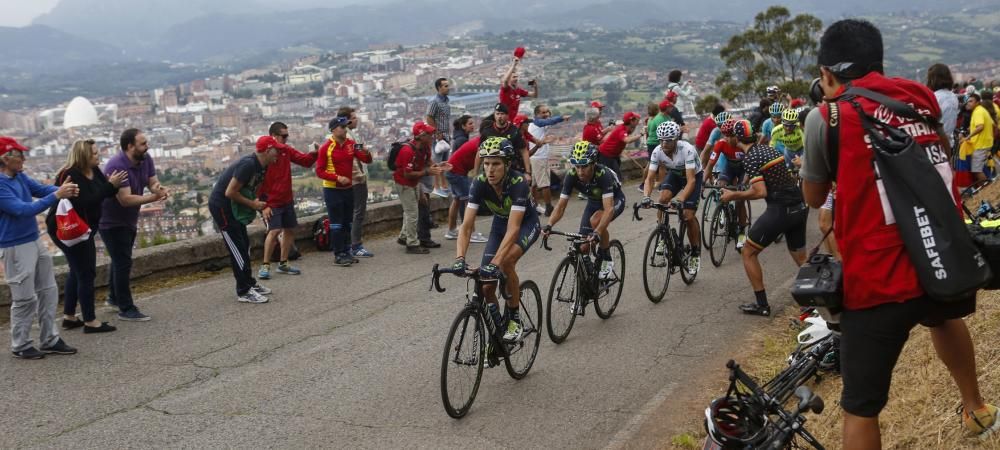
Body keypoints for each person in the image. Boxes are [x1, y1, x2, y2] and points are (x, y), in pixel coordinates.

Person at [801, 19, 998, 448]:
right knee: (944, 318)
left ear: (827, 74)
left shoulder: (827, 116)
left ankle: (975, 408)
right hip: (940, 257)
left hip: (878, 277)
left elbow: (815, 195)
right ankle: (976, 408)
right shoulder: (920, 97)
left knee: (860, 407)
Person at [453, 136, 540, 342]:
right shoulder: (479, 182)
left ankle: (515, 319)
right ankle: (497, 328)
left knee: (506, 261)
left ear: (507, 165)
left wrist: (495, 263)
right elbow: (466, 227)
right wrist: (459, 258)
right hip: (500, 224)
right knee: (487, 286)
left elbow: (514, 229)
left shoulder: (518, 183)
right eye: (486, 163)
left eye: (496, 164)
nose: (490, 169)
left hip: (525, 224)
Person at [716, 120, 808, 316]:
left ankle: (762, 305)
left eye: (728, 136)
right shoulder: (769, 150)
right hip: (799, 206)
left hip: (780, 209)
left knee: (748, 252)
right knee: (801, 258)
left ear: (736, 138)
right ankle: (815, 301)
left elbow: (760, 191)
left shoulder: (749, 158)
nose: (726, 139)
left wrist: (733, 195)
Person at [0, 137, 80, 359]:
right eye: (19, 155)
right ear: (5, 158)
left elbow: (40, 189)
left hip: (33, 239)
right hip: (15, 245)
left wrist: (65, 190)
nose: (24, 158)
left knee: (48, 290)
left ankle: (49, 338)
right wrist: (58, 194)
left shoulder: (20, 176)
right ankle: (20, 344)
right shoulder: (0, 184)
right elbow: (22, 209)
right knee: (24, 298)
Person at [46, 140, 126, 334]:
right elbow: (86, 202)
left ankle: (70, 316)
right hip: (68, 229)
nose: (98, 157)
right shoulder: (71, 175)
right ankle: (90, 320)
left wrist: (113, 185)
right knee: (86, 273)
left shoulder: (94, 170)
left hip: (83, 229)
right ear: (84, 156)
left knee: (77, 269)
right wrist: (109, 186)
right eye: (95, 154)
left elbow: (104, 193)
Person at [100, 128, 168, 322]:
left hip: (129, 218)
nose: (147, 146)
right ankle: (126, 307)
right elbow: (125, 199)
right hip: (110, 220)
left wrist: (160, 189)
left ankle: (114, 298)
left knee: (119, 259)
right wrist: (153, 197)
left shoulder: (145, 158)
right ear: (130, 146)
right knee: (123, 262)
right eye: (143, 143)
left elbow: (152, 182)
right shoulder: (117, 166)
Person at [208, 137, 280, 303]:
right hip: (222, 207)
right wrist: (253, 205)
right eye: (276, 149)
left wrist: (259, 204)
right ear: (268, 151)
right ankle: (243, 291)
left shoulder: (263, 166)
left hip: (235, 208)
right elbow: (230, 192)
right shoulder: (248, 164)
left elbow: (252, 189)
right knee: (237, 248)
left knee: (245, 245)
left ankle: (249, 283)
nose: (279, 153)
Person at [544, 141, 626, 281]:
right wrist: (549, 225)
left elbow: (608, 209)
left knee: (596, 221)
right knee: (582, 247)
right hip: (593, 202)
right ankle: (589, 280)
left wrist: (597, 232)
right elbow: (561, 206)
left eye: (584, 166)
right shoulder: (572, 175)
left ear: (593, 163)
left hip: (614, 201)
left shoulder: (603, 175)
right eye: (577, 166)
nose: (580, 171)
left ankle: (606, 258)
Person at [641, 121, 703, 275]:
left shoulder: (687, 150)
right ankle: (663, 233)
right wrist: (646, 197)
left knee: (688, 216)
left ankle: (695, 252)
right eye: (661, 139)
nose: (664, 143)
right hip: (675, 174)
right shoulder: (657, 151)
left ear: (676, 139)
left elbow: (691, 181)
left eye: (668, 140)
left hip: (692, 176)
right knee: (662, 199)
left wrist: (680, 199)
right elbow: (649, 178)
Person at [257, 122, 317, 279]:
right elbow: (257, 183)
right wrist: (263, 205)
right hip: (272, 201)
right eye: (284, 136)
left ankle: (283, 262)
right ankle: (265, 265)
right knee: (274, 230)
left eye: (287, 135)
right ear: (274, 136)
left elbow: (304, 161)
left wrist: (314, 153)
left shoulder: (286, 150)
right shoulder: (264, 155)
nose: (286, 138)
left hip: (286, 198)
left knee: (289, 229)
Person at [317, 116, 373, 266]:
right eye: (342, 127)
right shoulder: (326, 147)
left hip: (349, 189)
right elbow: (320, 171)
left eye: (346, 126)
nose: (345, 129)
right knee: (336, 224)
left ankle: (347, 250)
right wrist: (337, 178)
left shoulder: (352, 144)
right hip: (332, 189)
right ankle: (338, 253)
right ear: (333, 130)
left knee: (348, 222)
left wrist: (367, 152)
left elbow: (366, 159)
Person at [395, 121, 446, 254]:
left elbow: (427, 161)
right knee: (412, 213)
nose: (432, 137)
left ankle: (404, 236)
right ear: (421, 136)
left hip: (415, 182)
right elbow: (407, 174)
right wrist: (428, 172)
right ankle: (412, 244)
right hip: (404, 183)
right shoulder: (407, 151)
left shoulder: (425, 147)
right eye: (429, 134)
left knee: (415, 208)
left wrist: (438, 166)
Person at [703, 119, 749, 249]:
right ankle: (724, 211)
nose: (727, 138)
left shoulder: (744, 144)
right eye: (725, 135)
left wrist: (744, 184)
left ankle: (741, 233)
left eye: (731, 135)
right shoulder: (721, 144)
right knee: (721, 185)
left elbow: (751, 168)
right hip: (729, 168)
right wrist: (702, 182)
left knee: (740, 200)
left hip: (744, 171)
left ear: (737, 135)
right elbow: (710, 165)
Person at [342, 107, 375, 259]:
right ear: (347, 120)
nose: (357, 120)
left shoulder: (348, 135)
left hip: (350, 179)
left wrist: (364, 149)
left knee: (353, 212)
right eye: (354, 118)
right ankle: (356, 245)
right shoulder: (347, 135)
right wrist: (360, 176)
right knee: (358, 212)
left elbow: (355, 147)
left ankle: (349, 244)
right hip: (356, 179)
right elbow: (352, 155)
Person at [443, 135, 487, 244]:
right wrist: (476, 174)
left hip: (452, 170)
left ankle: (451, 231)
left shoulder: (478, 140)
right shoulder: (481, 144)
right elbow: (480, 157)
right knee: (469, 201)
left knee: (457, 200)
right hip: (457, 172)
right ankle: (470, 233)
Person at [528, 103, 569, 216]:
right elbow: (548, 121)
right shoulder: (537, 123)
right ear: (536, 115)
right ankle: (548, 207)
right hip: (539, 157)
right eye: (543, 112)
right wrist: (561, 118)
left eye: (547, 112)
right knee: (545, 184)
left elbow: (548, 121)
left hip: (535, 157)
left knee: (535, 184)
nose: (546, 114)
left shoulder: (536, 124)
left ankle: (534, 206)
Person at [480, 103, 530, 180]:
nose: (499, 116)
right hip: (492, 171)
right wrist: (476, 172)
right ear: (494, 115)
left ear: (507, 116)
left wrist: (527, 172)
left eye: (502, 114)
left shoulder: (514, 131)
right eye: (497, 114)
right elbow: (479, 152)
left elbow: (524, 151)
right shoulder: (487, 131)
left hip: (511, 169)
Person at [426, 77, 452, 198]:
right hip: (438, 136)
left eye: (448, 85)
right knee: (437, 162)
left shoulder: (446, 100)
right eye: (445, 86)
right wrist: (436, 133)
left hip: (446, 135)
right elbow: (429, 117)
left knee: (443, 162)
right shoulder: (434, 101)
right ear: (439, 88)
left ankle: (444, 186)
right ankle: (436, 187)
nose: (448, 87)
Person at [598, 111, 643, 177]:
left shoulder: (625, 128)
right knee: (616, 176)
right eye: (635, 120)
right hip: (606, 155)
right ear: (631, 122)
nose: (637, 122)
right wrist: (641, 134)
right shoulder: (622, 130)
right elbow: (627, 140)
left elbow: (631, 130)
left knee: (614, 175)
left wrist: (637, 121)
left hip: (613, 155)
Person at [963, 93, 995, 182]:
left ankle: (986, 190)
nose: (968, 103)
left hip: (981, 145)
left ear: (977, 102)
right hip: (985, 143)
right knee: (980, 167)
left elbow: (980, 127)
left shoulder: (978, 112)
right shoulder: (981, 110)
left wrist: (967, 137)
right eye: (967, 101)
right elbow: (992, 124)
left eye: (971, 101)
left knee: (976, 170)